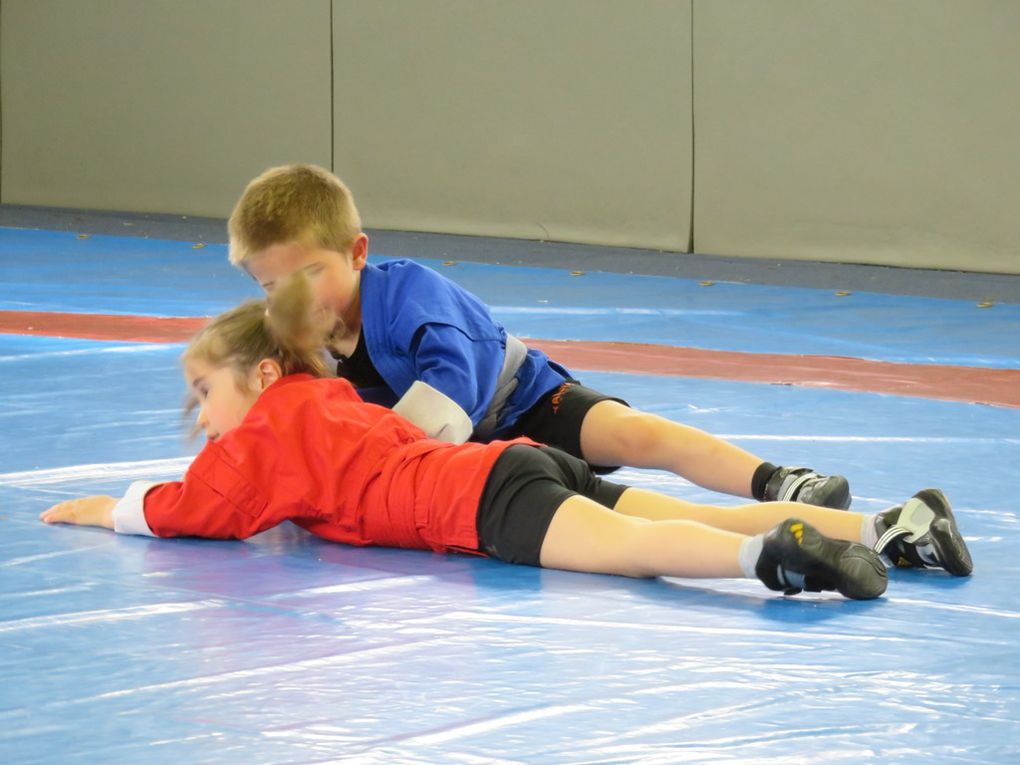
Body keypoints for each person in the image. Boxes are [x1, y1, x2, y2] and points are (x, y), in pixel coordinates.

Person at [39, 278, 974, 601]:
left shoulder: (271, 429)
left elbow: (212, 506)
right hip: (508, 464)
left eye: (205, 392)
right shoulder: (337, 404)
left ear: (265, 376)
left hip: (484, 501)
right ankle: (894, 525)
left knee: (640, 549)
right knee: (668, 510)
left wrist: (113, 509)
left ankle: (775, 557)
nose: (204, 417)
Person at [224, 164, 852, 511]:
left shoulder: (416, 301)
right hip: (456, 456)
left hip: (520, 400)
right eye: (276, 287)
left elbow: (451, 401)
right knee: (592, 506)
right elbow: (279, 420)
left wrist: (364, 463)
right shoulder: (294, 341)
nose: (297, 299)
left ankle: (779, 482)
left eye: (311, 274)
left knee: (636, 435)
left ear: (357, 253)